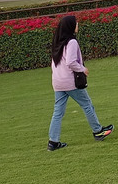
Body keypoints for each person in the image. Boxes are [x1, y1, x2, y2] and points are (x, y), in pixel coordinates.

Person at [47, 14, 112, 151]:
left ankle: (53, 142)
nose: (77, 25)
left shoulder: (57, 42)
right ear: (70, 26)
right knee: (87, 104)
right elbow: (71, 62)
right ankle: (97, 131)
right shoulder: (71, 42)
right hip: (70, 81)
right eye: (76, 23)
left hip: (58, 82)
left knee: (58, 112)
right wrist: (82, 69)